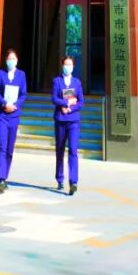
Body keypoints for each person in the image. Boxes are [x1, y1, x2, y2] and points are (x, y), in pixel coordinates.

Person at [0, 47, 26, 192]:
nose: (11, 61)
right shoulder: (0, 74)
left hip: (14, 115)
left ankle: (5, 176)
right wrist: (4, 104)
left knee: (10, 149)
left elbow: (23, 94)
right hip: (2, 115)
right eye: (9, 59)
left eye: (14, 58)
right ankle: (1, 179)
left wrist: (15, 105)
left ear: (17, 60)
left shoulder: (21, 75)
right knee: (2, 147)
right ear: (6, 60)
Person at [52, 54, 84, 195]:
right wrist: (65, 103)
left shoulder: (77, 82)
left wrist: (71, 108)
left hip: (73, 121)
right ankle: (60, 178)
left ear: (73, 66)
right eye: (66, 64)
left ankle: (73, 182)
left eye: (70, 64)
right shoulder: (57, 81)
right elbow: (54, 98)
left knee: (73, 150)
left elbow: (81, 102)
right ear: (62, 65)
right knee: (60, 149)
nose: (67, 67)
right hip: (60, 120)